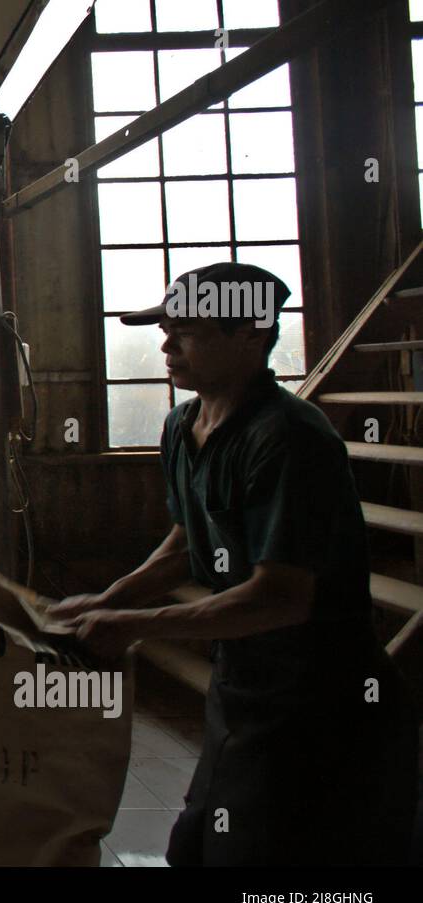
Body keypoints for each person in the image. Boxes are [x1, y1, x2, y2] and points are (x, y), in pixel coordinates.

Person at [48, 262, 418, 865]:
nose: (166, 344)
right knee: (195, 849)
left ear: (250, 334)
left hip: (320, 703)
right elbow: (186, 543)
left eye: (186, 331)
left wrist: (138, 626)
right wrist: (110, 598)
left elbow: (281, 597)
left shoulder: (290, 439)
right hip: (243, 684)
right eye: (165, 329)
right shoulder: (183, 425)